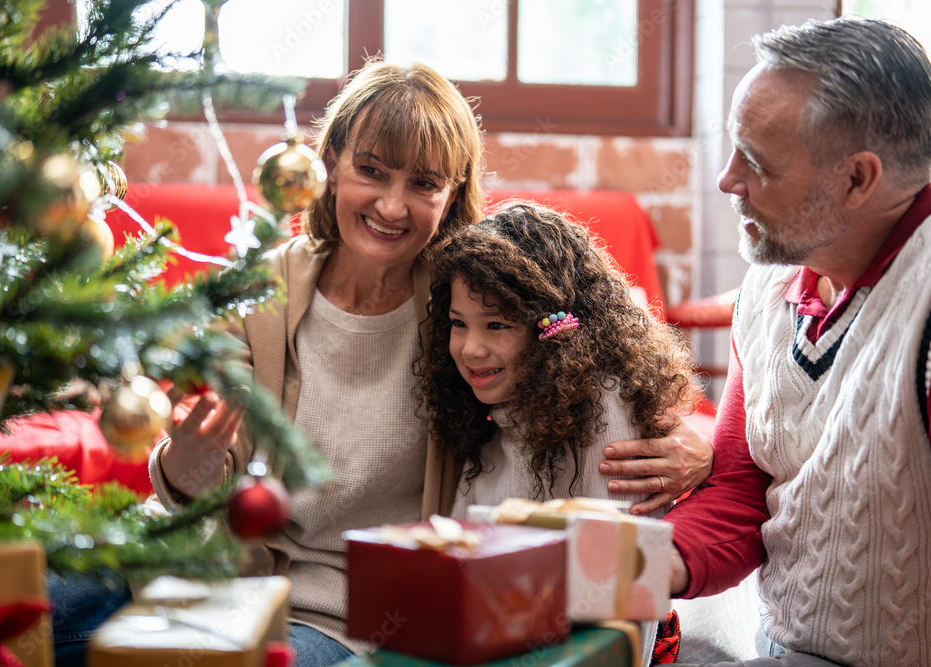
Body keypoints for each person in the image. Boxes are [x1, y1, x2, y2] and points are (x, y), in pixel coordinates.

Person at [147, 60, 713, 666]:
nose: (392, 207)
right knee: (50, 602)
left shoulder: (464, 297)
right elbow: (206, 479)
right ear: (331, 163)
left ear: (453, 192)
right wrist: (184, 464)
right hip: (219, 576)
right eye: (371, 171)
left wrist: (701, 449)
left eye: (423, 183)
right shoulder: (260, 292)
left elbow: (588, 344)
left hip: (346, 614)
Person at [656, 17, 931, 667]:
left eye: (756, 162)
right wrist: (640, 565)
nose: (728, 179)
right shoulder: (772, 282)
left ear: (858, 179)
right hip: (783, 646)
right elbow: (740, 489)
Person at [417, 202, 696, 666]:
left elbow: (619, 598)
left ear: (552, 329)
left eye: (497, 325)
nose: (471, 348)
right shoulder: (488, 401)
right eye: (458, 324)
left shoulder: (603, 410)